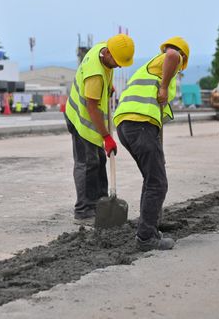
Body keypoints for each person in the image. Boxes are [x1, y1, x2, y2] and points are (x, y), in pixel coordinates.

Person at [113, 36, 190, 251]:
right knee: (157, 182)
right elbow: (173, 54)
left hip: (126, 125)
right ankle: (146, 238)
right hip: (140, 125)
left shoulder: (151, 68)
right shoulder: (168, 58)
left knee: (152, 179)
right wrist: (164, 87)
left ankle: (149, 229)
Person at [64, 33, 135, 224]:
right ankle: (84, 211)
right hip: (81, 120)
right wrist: (106, 137)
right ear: (109, 53)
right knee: (87, 163)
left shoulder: (103, 48)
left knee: (99, 159)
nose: (120, 66)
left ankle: (101, 204)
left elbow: (107, 71)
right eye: (118, 61)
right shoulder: (95, 75)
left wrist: (109, 85)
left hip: (90, 119)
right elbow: (92, 107)